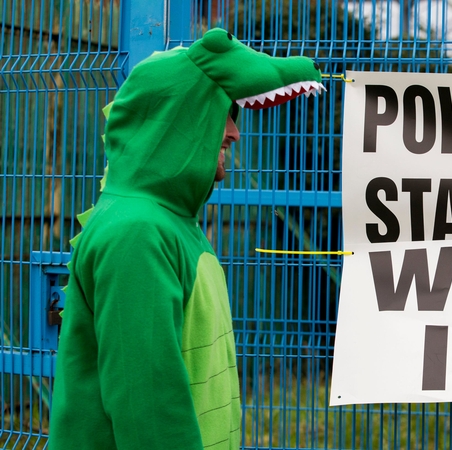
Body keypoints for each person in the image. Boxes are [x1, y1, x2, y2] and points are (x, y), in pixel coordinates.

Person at [48, 28, 323, 449]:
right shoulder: (136, 233)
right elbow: (148, 408)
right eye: (221, 113)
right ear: (181, 117)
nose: (233, 132)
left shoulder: (173, 225)